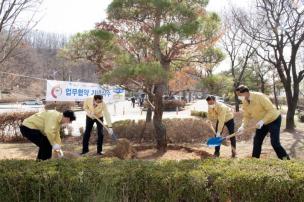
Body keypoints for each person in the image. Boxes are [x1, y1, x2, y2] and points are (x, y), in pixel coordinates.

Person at [235, 85, 290, 160]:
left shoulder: (259, 96)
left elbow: (271, 110)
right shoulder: (244, 101)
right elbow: (247, 116)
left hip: (273, 119)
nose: (238, 97)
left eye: (239, 95)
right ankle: (255, 160)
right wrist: (242, 126)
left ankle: (286, 160)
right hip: (261, 123)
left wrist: (263, 121)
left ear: (245, 92)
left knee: (275, 143)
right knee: (257, 141)